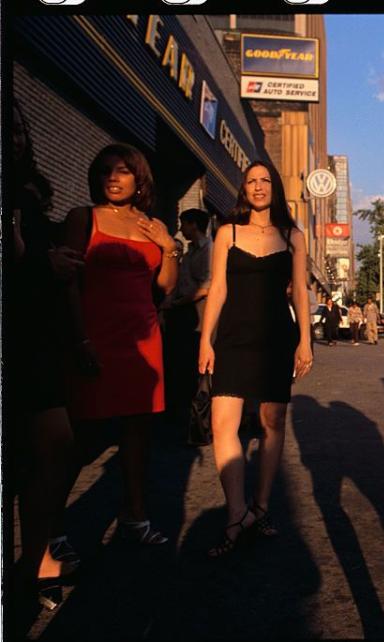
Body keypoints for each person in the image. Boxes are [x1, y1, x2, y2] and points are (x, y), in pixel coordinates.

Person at [61, 143, 179, 546]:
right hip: (94, 336)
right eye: (106, 169)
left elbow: (163, 289)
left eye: (124, 170)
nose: (113, 176)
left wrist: (169, 248)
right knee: (79, 437)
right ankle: (49, 527)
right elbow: (69, 284)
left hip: (143, 341)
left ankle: (135, 516)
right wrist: (80, 338)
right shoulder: (83, 218)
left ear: (139, 178)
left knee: (137, 436)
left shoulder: (151, 225)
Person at [198, 160, 313, 557]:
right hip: (231, 339)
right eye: (251, 181)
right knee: (221, 424)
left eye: (265, 180)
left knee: (271, 423)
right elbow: (217, 289)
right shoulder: (227, 231)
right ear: (243, 189)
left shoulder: (293, 236)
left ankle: (261, 507)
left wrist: (305, 341)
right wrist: (205, 340)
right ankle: (236, 512)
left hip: (276, 339)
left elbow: (299, 290)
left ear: (275, 188)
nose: (258, 186)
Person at [5, 101, 83, 621]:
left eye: (15, 126)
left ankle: (33, 562)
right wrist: (40, 259)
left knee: (51, 444)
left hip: (31, 334)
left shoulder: (25, 192)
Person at [162, 208, 212, 427]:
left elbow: (208, 286)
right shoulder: (190, 251)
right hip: (183, 314)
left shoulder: (208, 250)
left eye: (184, 223)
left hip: (200, 314)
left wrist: (179, 302)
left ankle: (201, 420)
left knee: (199, 368)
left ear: (194, 225)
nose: (181, 228)